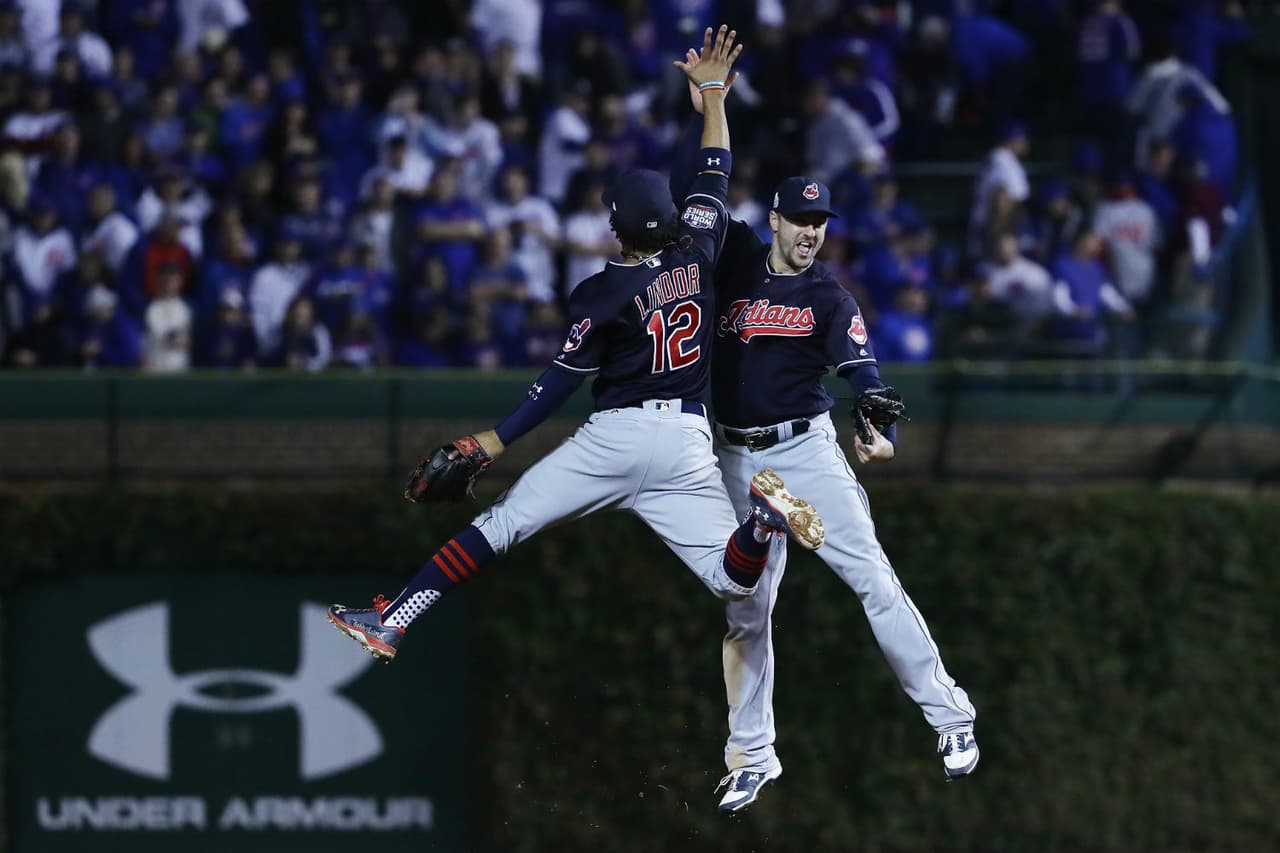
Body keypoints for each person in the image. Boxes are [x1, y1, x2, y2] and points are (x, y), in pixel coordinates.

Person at [328, 27, 824, 675]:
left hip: (618, 434)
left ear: (615, 226)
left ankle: (394, 620)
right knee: (733, 577)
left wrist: (495, 440)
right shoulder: (700, 247)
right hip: (685, 443)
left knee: (502, 525)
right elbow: (715, 166)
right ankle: (759, 525)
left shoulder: (602, 291)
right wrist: (713, 97)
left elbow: (557, 381)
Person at [675, 62, 978, 815]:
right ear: (774, 219)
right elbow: (704, 188)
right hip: (735, 455)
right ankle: (751, 756)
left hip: (804, 451)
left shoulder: (828, 295)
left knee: (871, 575)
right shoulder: (739, 257)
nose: (811, 233)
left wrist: (874, 410)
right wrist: (711, 105)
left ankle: (950, 715)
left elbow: (862, 371)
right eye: (800, 220)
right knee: (744, 606)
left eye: (821, 223)